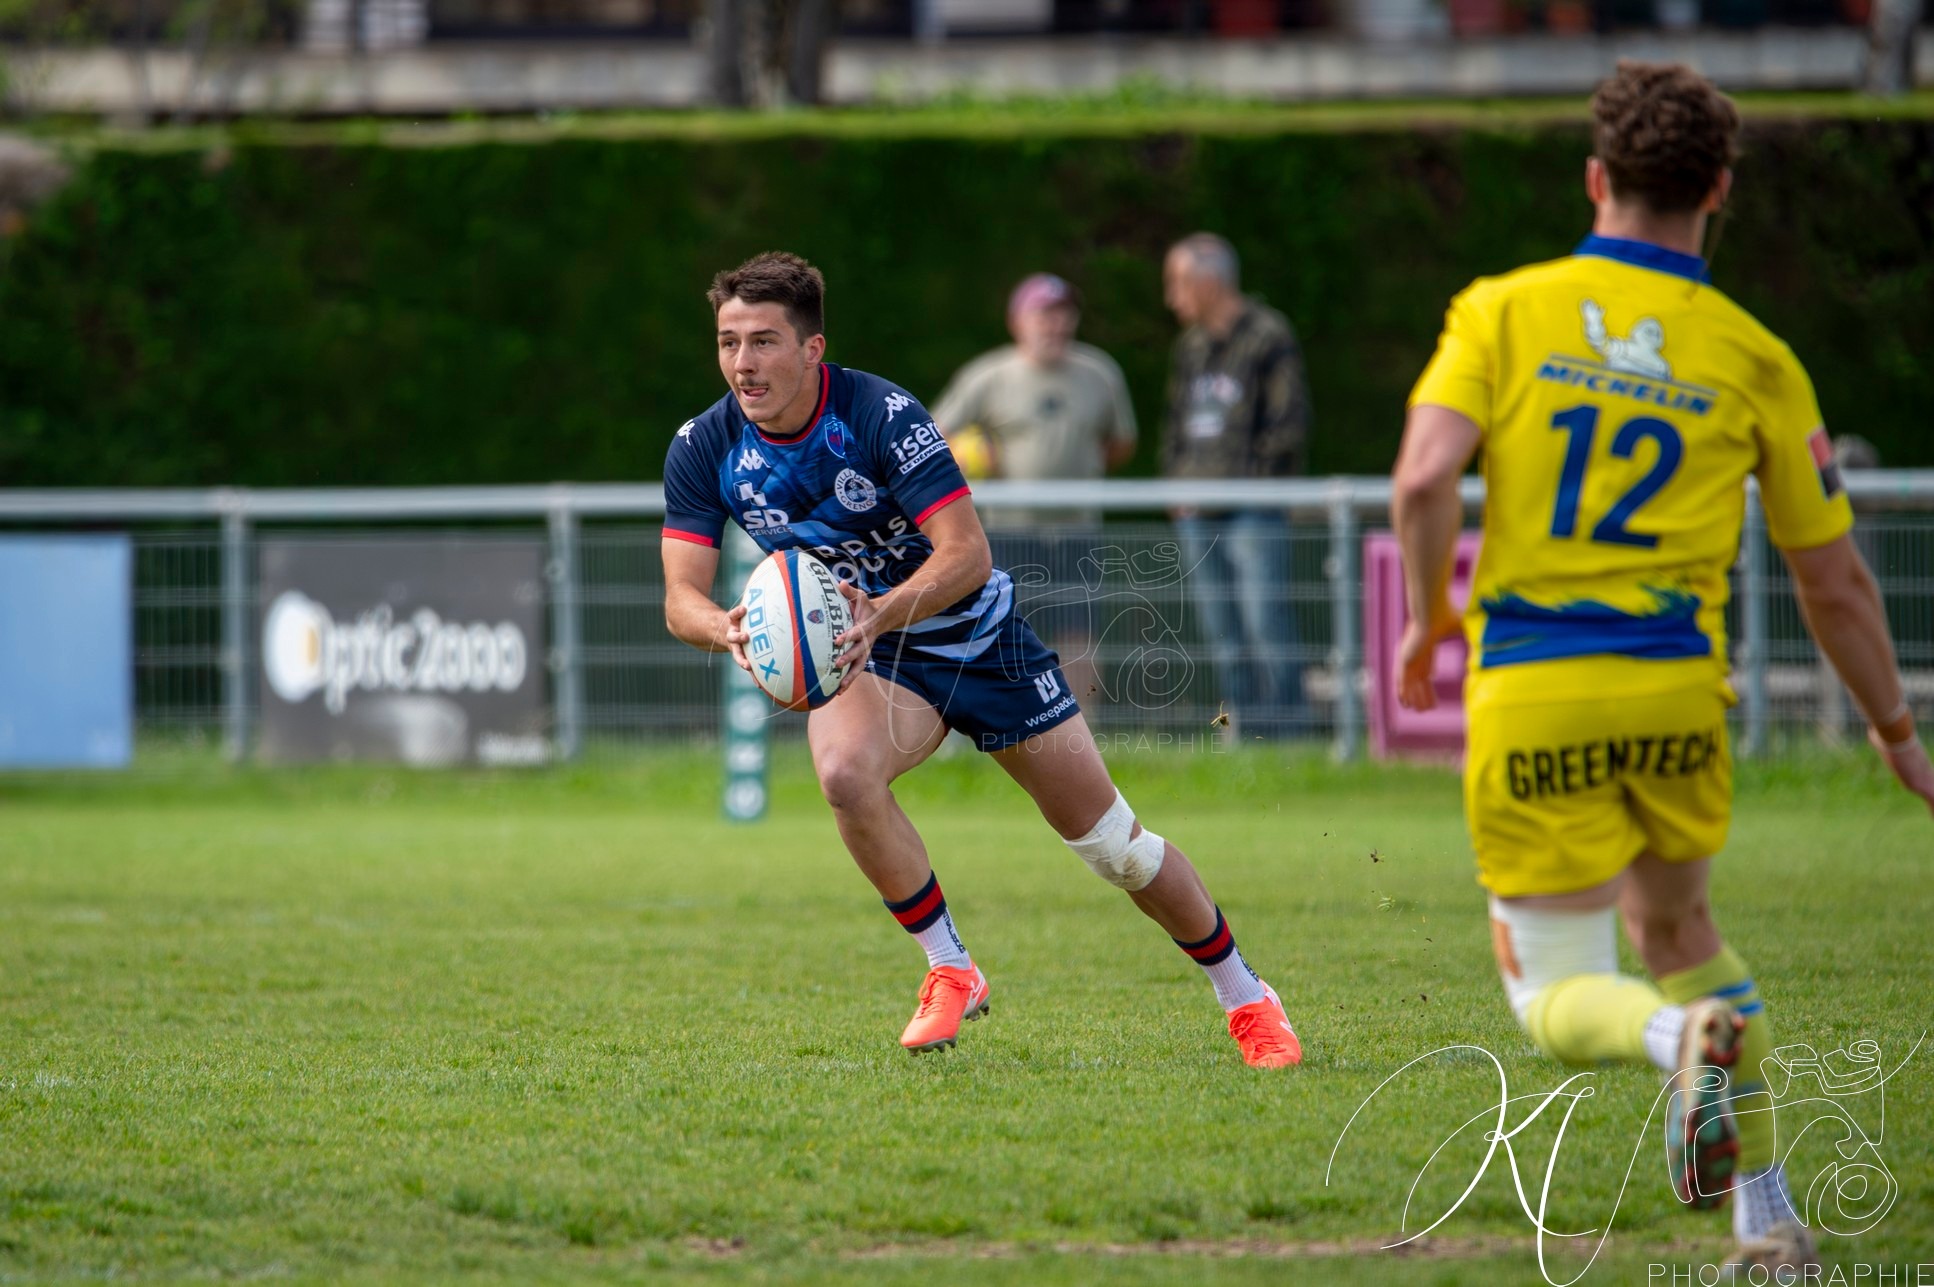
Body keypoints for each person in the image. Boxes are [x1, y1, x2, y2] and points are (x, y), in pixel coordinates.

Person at [1392, 61, 1934, 1272]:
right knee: (1683, 925)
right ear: (1719, 190)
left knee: (1555, 996)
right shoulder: (1753, 355)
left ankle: (1670, 1040)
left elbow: (1425, 478)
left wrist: (1430, 618)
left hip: (1536, 680)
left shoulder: (1502, 308)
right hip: (1678, 691)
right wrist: (1896, 733)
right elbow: (1833, 580)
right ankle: (1769, 1213)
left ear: (1595, 177)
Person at [660, 251, 1301, 1068]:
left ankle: (1247, 995)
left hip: (980, 643)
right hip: (879, 661)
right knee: (844, 776)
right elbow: (681, 598)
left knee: (1117, 848)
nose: (742, 364)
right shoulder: (704, 445)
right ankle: (950, 966)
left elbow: (965, 552)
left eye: (764, 342)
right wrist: (734, 632)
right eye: (728, 342)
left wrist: (880, 610)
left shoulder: (883, 414)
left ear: (813, 349)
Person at [931, 272, 1138, 706]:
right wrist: (972, 458)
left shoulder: (1099, 372)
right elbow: (934, 435)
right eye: (1044, 314)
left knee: (1078, 633)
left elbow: (1121, 442)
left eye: (1064, 314)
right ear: (1017, 321)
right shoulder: (988, 375)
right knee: (998, 630)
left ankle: (1082, 736)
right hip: (1008, 531)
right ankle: (998, 723)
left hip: (1077, 531)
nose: (1056, 324)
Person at [1161, 233, 1310, 739]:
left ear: (1208, 282)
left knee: (1266, 621)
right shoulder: (1191, 347)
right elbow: (1176, 424)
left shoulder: (1268, 335)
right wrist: (1176, 488)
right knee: (1222, 631)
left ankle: (1288, 733)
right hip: (1197, 511)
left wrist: (1255, 487)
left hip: (1254, 507)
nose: (1171, 296)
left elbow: (1287, 425)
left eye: (1177, 283)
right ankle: (1244, 732)